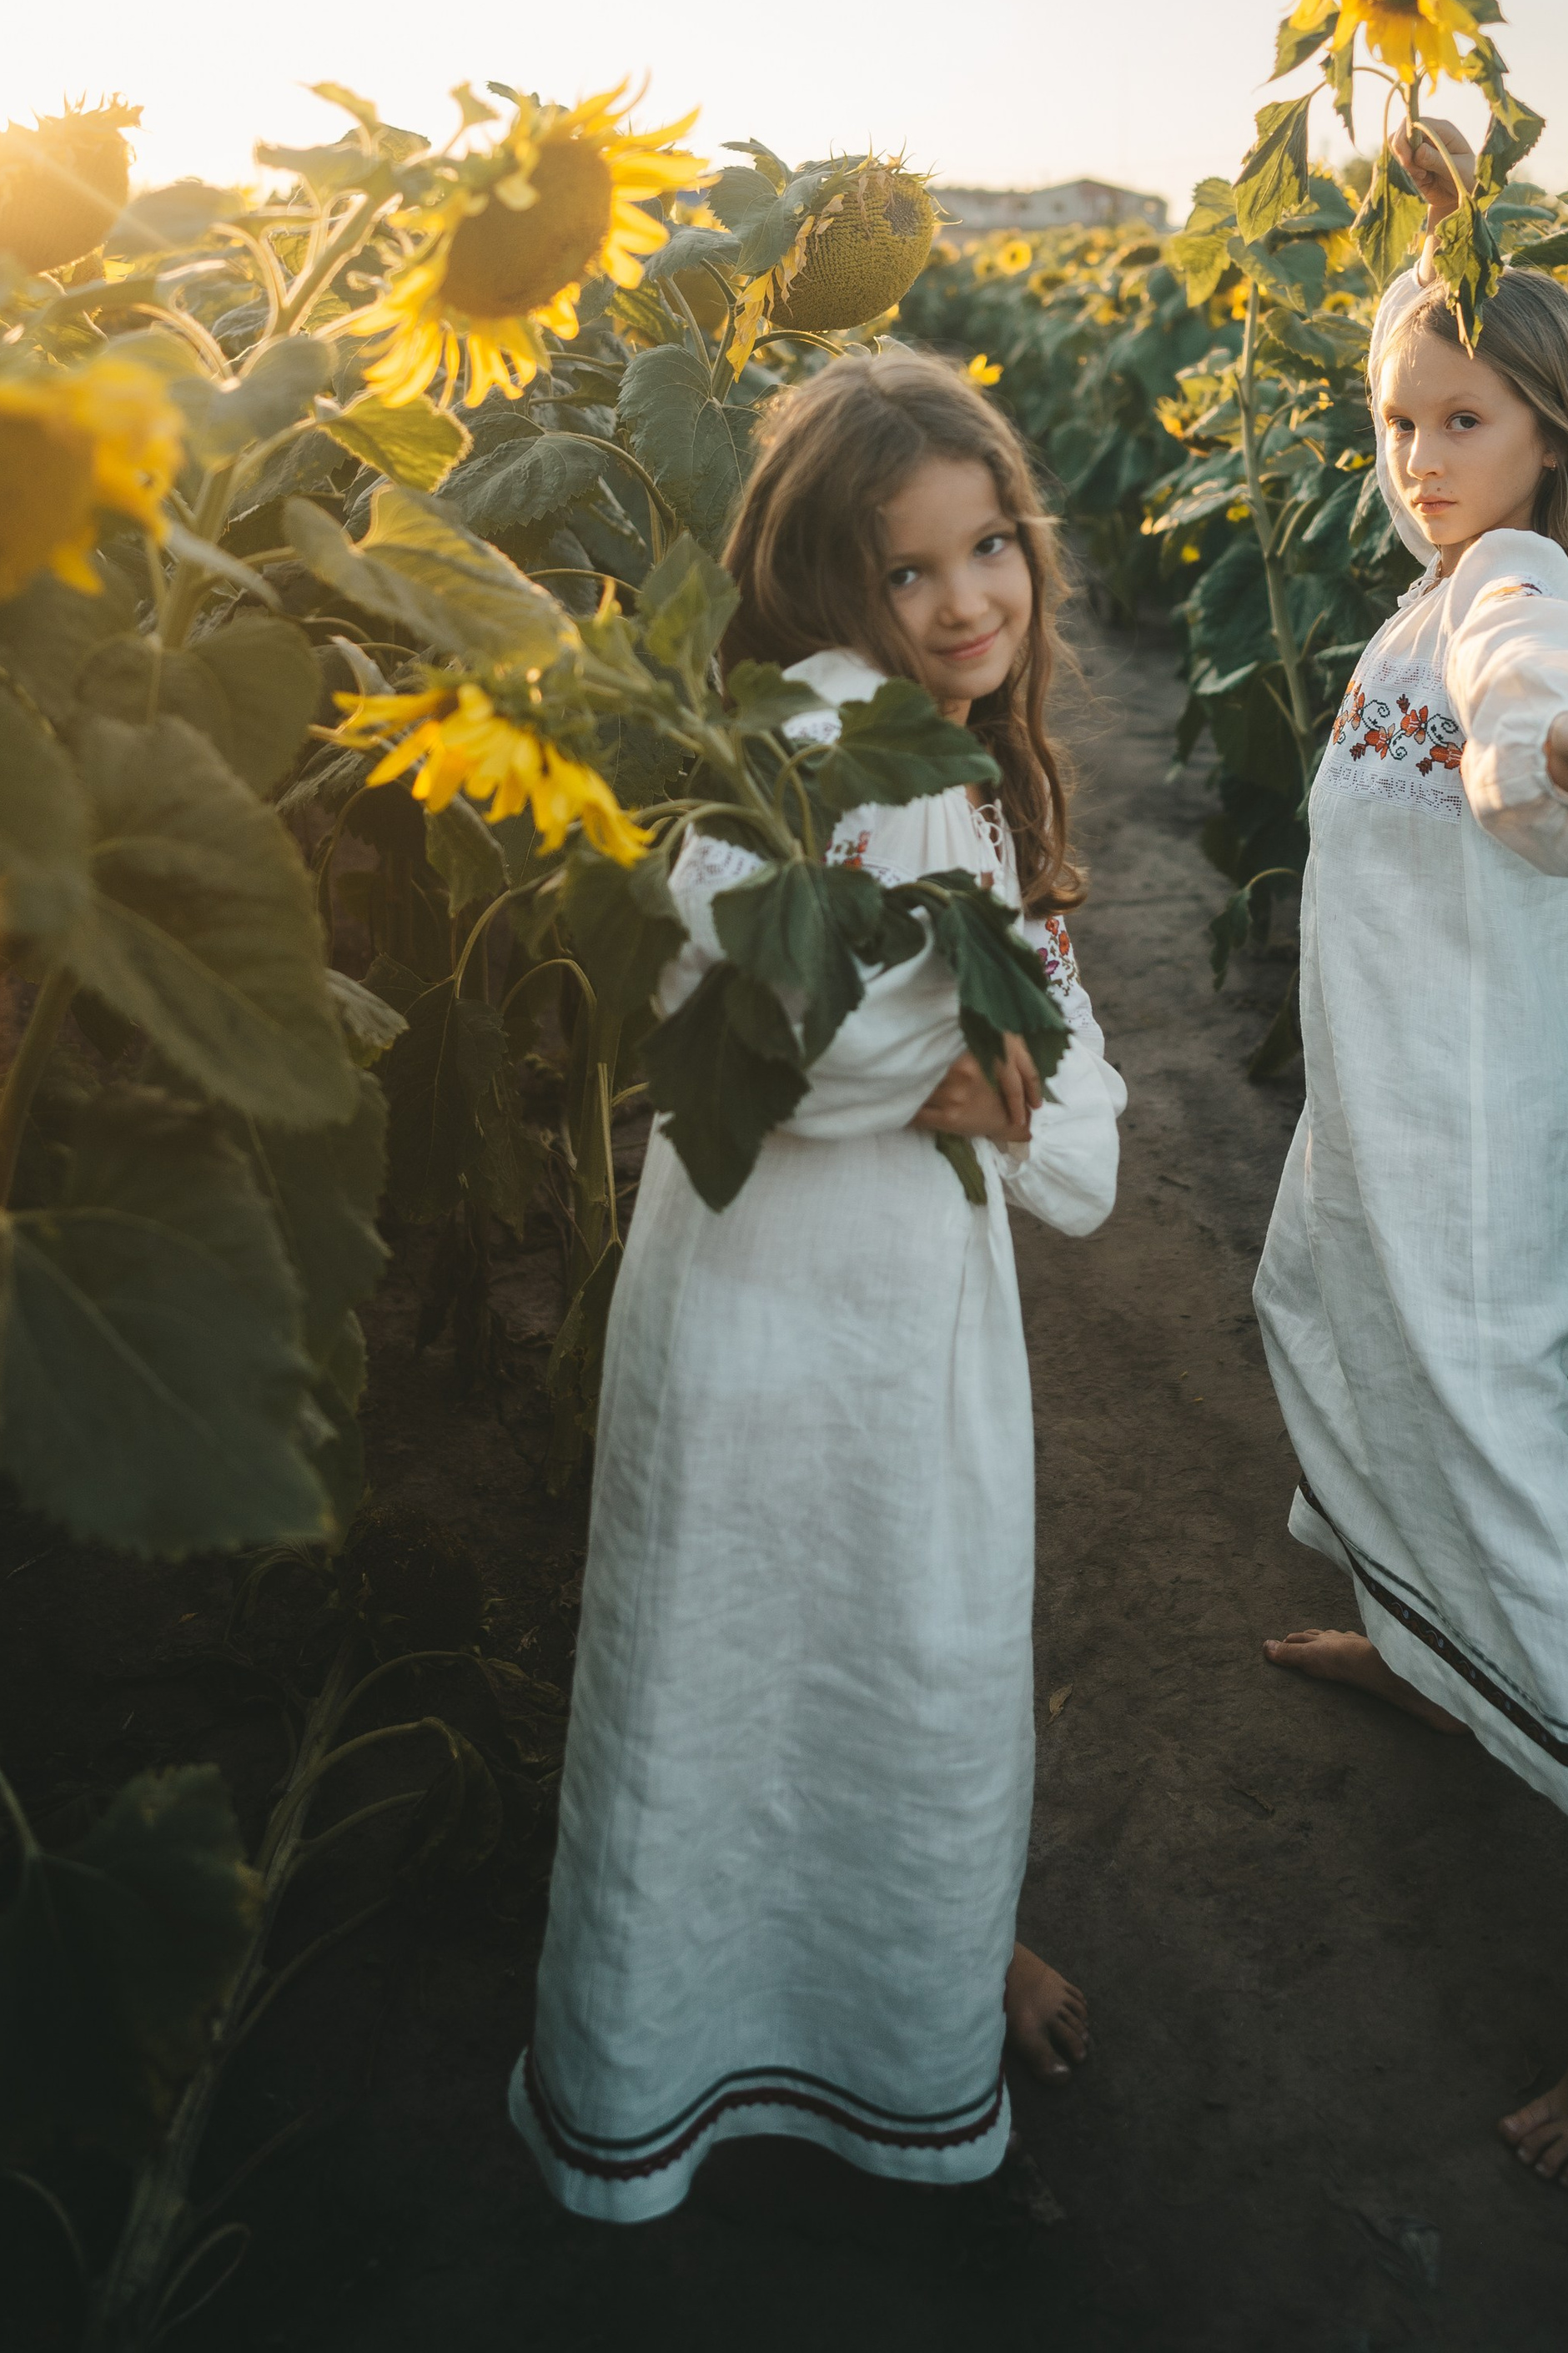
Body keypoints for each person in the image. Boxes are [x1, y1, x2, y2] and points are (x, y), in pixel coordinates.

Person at [511, 349, 1124, 2218]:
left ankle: (908, 1976)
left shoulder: (969, 776)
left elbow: (1059, 1050)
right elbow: (763, 1030)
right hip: (780, 1301)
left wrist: (1016, 1087)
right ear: (821, 588)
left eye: (989, 547)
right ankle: (724, 2035)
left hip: (880, 1301)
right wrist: (986, 1076)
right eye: (909, 571)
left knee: (874, 1655)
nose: (965, 603)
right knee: (784, 1657)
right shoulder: (791, 750)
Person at [1253, 158, 1568, 2199]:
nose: (1423, 460)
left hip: (1473, 1146)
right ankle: (1434, 1647)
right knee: (1317, 1324)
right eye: (1394, 419)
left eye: (1464, 419)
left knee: (1507, 1468)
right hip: (1391, 1121)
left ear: (1546, 434)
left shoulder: (1512, 602)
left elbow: (1525, 697)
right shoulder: (1418, 597)